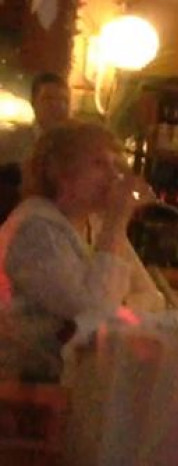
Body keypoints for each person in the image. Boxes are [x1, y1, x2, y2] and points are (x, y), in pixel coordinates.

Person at [0, 121, 165, 382]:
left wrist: (119, 308)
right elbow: (96, 313)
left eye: (115, 165)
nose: (114, 176)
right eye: (99, 164)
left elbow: (153, 299)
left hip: (82, 379)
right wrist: (117, 221)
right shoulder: (35, 229)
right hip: (29, 387)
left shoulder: (95, 225)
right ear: (60, 173)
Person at [0, 73, 71, 224]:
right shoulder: (11, 141)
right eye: (48, 99)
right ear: (34, 103)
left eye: (64, 100)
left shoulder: (74, 147)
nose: (57, 106)